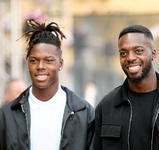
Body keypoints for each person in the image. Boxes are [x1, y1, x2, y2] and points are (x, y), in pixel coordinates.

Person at [94, 25, 159, 150]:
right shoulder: (106, 107)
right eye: (123, 53)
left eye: (138, 51)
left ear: (153, 54)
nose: (130, 58)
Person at [0, 20, 94, 150]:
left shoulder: (84, 112)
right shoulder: (7, 113)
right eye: (34, 60)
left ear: (60, 64)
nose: (40, 66)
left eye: (48, 60)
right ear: (28, 64)